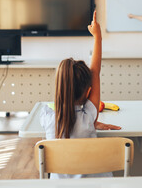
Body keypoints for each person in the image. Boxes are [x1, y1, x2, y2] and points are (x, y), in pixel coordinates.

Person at [40, 10, 121, 179]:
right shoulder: (88, 116)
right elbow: (95, 72)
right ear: (88, 90)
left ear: (59, 88)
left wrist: (93, 122)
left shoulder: (47, 117)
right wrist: (97, 37)